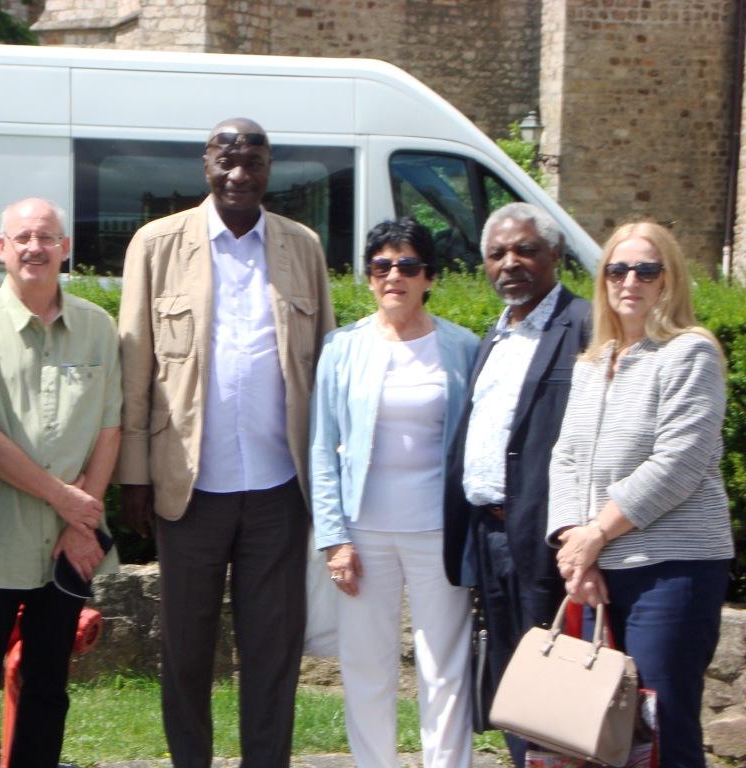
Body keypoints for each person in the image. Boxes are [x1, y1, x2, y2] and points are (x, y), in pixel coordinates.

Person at [116, 117, 334, 767]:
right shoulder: (157, 245)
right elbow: (136, 366)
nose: (240, 173)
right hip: (189, 487)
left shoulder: (302, 246)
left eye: (254, 162)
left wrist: (325, 481)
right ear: (205, 164)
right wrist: (134, 475)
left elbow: (323, 363)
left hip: (277, 487)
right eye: (227, 159)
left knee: (273, 648)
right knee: (186, 649)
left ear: (271, 170)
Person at [548, 221, 734, 768]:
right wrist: (572, 544)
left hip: (671, 570)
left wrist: (595, 533)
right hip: (597, 565)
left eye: (646, 270)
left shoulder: (689, 354)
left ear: (668, 280)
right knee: (599, 732)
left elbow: (679, 463)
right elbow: (566, 459)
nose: (630, 280)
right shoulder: (592, 363)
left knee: (660, 727)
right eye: (617, 269)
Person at [0, 198, 121, 768]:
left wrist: (82, 520)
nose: (34, 248)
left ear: (64, 248)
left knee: (48, 684)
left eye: (46, 237)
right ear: (1, 248)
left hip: (70, 543)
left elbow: (111, 427)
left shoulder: (98, 326)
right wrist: (67, 501)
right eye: (21, 237)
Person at [311, 219, 478, 767]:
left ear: (429, 276)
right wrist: (334, 538)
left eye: (407, 265)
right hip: (365, 535)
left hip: (439, 532)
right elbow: (323, 449)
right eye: (382, 266)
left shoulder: (463, 349)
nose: (394, 276)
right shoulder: (343, 349)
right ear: (368, 277)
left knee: (444, 669)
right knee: (366, 668)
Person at [442, 202, 591, 766]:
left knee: (554, 678)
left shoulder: (582, 324)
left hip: (548, 536)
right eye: (497, 253)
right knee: (509, 676)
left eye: (526, 249)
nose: (511, 263)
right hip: (490, 534)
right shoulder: (495, 335)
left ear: (554, 255)